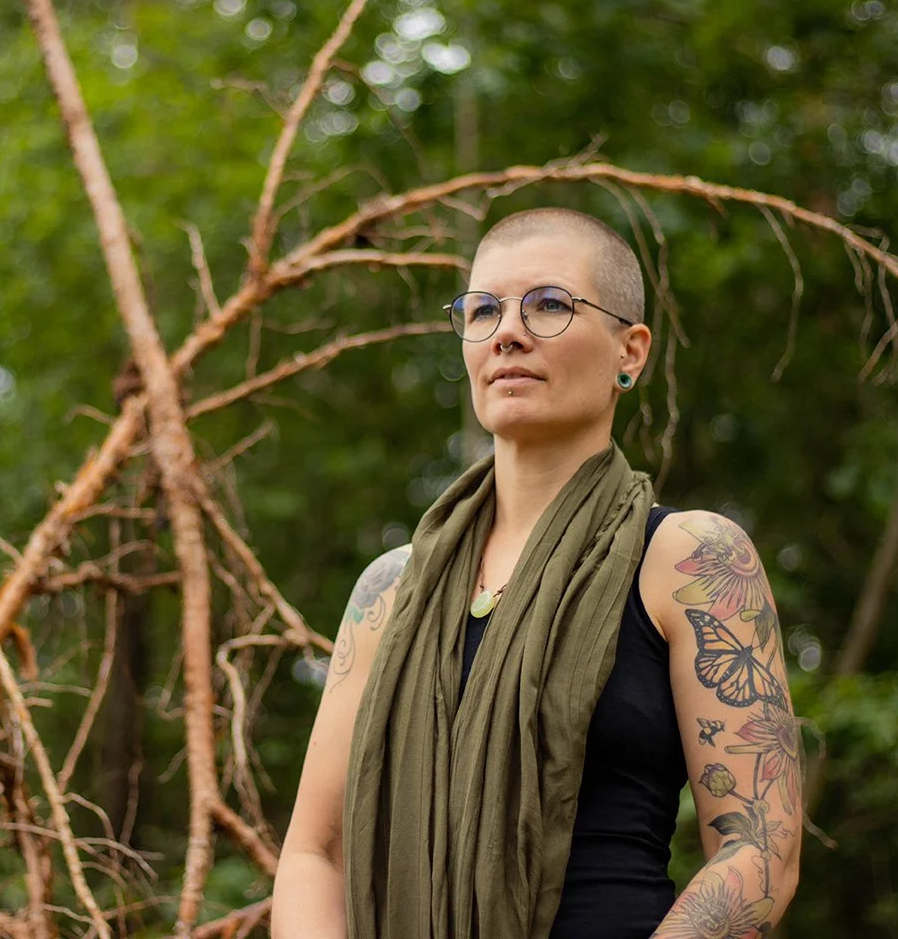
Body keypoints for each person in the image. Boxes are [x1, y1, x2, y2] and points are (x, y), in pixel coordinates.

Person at [271, 207, 802, 938]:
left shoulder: (689, 559)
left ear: (632, 352)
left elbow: (761, 848)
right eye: (482, 309)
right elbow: (313, 853)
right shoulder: (391, 591)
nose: (507, 332)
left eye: (550, 304)